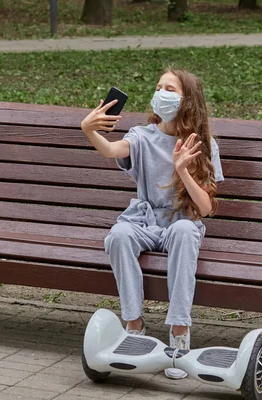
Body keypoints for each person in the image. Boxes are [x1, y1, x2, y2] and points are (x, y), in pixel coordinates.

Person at [80, 69, 224, 379]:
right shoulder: (142, 135)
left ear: (186, 100)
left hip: (181, 221)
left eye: (169, 88)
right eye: (158, 87)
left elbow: (206, 208)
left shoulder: (203, 144)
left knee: (186, 231)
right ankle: (134, 326)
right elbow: (110, 149)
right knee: (118, 234)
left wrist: (182, 169)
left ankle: (179, 333)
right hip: (144, 220)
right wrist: (89, 130)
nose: (160, 93)